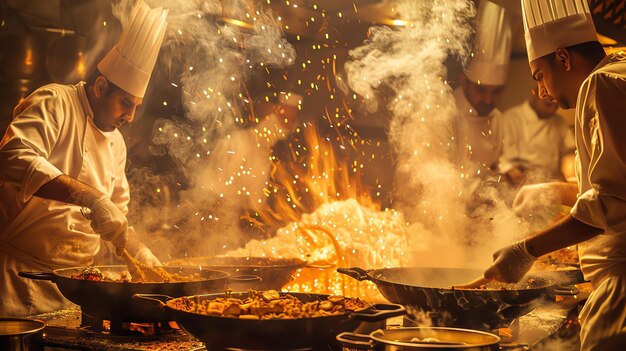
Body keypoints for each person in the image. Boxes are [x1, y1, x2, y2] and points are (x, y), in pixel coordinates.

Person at [0, 0, 168, 316]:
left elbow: (114, 216)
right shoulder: (54, 101)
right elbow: (12, 157)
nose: (130, 116)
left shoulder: (116, 142)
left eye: (136, 107)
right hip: (16, 285)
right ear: (101, 87)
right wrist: (91, 198)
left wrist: (140, 253)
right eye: (125, 104)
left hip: (77, 290)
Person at [483, 0, 626, 349]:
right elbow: (619, 189)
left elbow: (610, 206)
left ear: (562, 58)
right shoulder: (621, 70)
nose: (543, 90)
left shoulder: (601, 84)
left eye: (539, 76)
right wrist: (559, 191)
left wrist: (525, 250)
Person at [454, 0, 511, 179]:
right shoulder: (446, 114)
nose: (488, 99)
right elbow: (436, 174)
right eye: (481, 90)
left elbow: (498, 161)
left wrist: (510, 172)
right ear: (464, 82)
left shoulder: (498, 118)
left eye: (496, 92)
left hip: (484, 201)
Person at [498, 92, 576, 185]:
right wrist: (512, 171)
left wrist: (570, 174)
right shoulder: (510, 119)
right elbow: (501, 159)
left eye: (556, 106)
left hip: (553, 182)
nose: (552, 111)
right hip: (521, 184)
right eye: (548, 105)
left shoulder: (559, 121)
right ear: (536, 94)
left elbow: (569, 151)